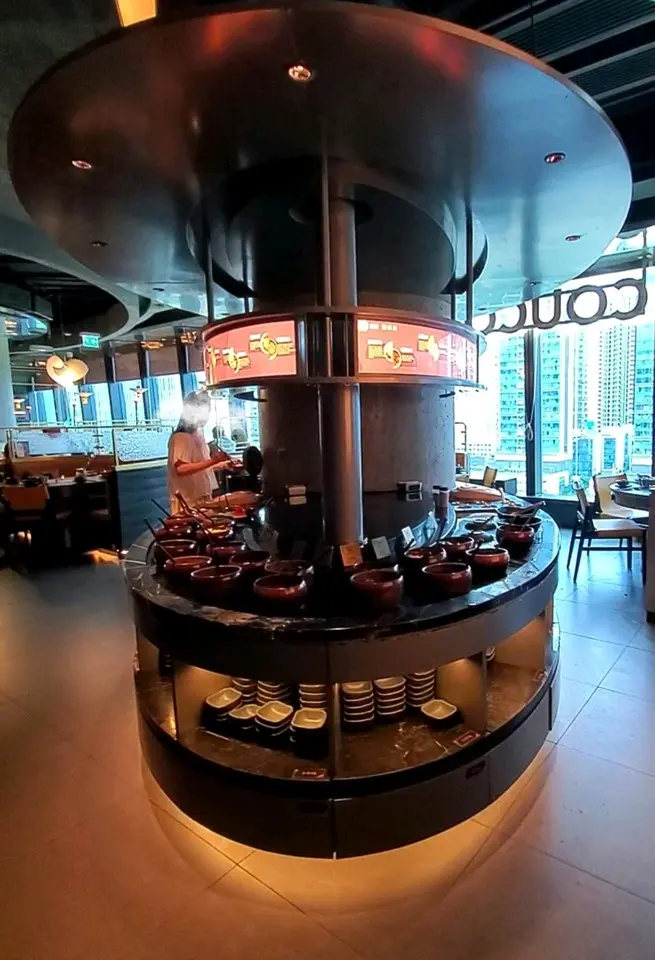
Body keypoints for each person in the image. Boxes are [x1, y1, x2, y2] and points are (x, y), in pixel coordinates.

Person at [167, 392, 233, 513]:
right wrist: (214, 460)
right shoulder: (181, 437)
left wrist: (222, 464)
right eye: (207, 410)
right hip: (188, 501)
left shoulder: (198, 435)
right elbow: (181, 469)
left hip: (203, 495)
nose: (208, 415)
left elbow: (201, 466)